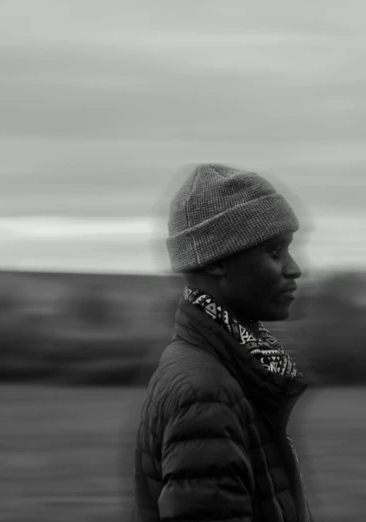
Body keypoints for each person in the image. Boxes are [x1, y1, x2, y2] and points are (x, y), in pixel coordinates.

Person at [132, 164, 313, 521]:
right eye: (275, 252)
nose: (294, 269)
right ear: (217, 263)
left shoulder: (230, 367)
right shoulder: (206, 393)